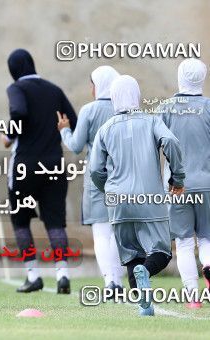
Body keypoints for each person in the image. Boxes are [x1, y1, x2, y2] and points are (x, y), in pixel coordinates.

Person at [90, 75, 185, 316]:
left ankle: (145, 306)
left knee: (131, 256)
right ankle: (146, 274)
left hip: (118, 201)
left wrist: (107, 191)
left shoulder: (105, 128)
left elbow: (94, 170)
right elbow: (171, 142)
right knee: (161, 253)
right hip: (150, 199)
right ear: (137, 95)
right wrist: (178, 177)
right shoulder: (152, 121)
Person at [3, 48, 77, 294]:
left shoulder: (16, 89)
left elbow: (19, 112)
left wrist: (10, 135)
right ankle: (63, 275)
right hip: (54, 165)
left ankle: (33, 276)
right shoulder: (54, 90)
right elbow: (72, 120)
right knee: (55, 223)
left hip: (25, 166)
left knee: (21, 221)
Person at [57, 66, 124, 292]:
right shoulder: (123, 108)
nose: (91, 89)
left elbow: (76, 146)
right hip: (123, 177)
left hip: (97, 178)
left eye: (93, 84)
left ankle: (110, 282)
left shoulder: (89, 110)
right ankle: (119, 282)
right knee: (117, 233)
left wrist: (64, 130)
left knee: (102, 233)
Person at [156, 58, 210, 309]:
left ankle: (193, 297)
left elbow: (154, 145)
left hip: (178, 187)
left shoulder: (166, 108)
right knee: (208, 239)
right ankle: (209, 271)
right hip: (208, 184)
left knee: (185, 242)